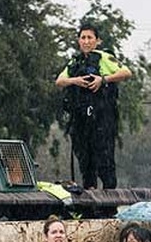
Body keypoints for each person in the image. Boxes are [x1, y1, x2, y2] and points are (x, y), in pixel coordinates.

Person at [55, 22, 131, 189]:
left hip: (103, 119)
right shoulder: (75, 61)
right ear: (78, 40)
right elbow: (59, 81)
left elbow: (126, 72)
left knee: (104, 163)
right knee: (86, 164)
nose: (86, 41)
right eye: (83, 37)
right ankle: (90, 206)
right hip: (81, 121)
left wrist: (102, 80)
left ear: (97, 41)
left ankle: (108, 205)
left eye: (90, 37)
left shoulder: (104, 57)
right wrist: (75, 81)